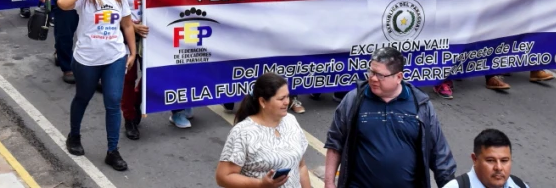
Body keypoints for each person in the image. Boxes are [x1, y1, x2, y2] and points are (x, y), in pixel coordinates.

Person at [323, 46, 456, 188]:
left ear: (398, 77)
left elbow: (439, 153)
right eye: (371, 72)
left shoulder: (421, 105)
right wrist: (329, 183)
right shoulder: (353, 101)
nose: (373, 78)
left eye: (380, 75)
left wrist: (448, 184)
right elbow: (335, 143)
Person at [59, 0, 136, 172]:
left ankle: (113, 151)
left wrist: (132, 52)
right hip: (86, 59)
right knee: (83, 97)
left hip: (114, 56)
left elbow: (127, 24)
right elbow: (62, 3)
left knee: (113, 102)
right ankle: (74, 135)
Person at [155, 0, 220, 128]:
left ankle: (188, 101)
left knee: (195, 65)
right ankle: (176, 111)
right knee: (179, 66)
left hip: (200, 24)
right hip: (176, 26)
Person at [217, 73, 310, 188]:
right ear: (262, 102)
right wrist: (260, 184)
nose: (287, 102)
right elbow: (223, 177)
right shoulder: (242, 132)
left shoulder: (291, 120)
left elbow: (300, 166)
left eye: (287, 96)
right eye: (281, 98)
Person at [116, 0, 154, 140]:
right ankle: (129, 118)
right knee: (128, 78)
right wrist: (132, 26)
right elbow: (118, 7)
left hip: (149, 35)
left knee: (149, 75)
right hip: (126, 34)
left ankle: (138, 102)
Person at [442, 129, 529, 188]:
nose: (498, 167)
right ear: (475, 159)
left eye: (504, 161)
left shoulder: (520, 185)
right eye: (490, 160)